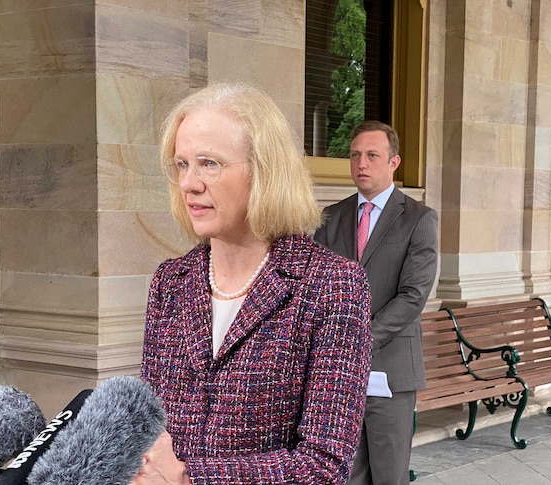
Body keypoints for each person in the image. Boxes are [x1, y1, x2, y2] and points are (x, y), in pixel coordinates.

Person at [134, 83, 373, 485]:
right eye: (181, 164)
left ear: (264, 170)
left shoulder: (333, 285)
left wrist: (191, 480)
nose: (189, 183)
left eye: (209, 163)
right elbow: (151, 425)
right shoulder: (170, 281)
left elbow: (323, 465)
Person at [313, 120, 438, 485]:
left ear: (393, 162)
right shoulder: (331, 218)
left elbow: (413, 295)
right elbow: (319, 287)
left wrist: (360, 340)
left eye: (371, 155)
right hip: (339, 375)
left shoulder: (419, 219)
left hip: (391, 372)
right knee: (345, 474)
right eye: (355, 155)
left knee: (388, 475)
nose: (361, 164)